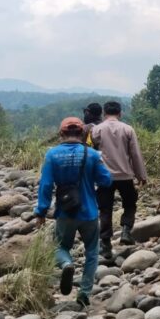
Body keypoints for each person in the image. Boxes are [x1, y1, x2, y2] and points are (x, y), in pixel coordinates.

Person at [34, 117, 112, 307]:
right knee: (92, 252)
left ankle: (67, 264)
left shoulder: (52, 155)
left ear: (61, 133)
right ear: (82, 134)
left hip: (65, 211)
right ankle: (84, 293)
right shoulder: (93, 155)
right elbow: (106, 180)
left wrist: (41, 212)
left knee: (59, 247)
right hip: (90, 213)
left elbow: (45, 185)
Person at [91, 101, 148, 259]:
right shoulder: (128, 129)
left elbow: (92, 151)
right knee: (130, 203)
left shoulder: (97, 130)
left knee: (105, 209)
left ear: (104, 113)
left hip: (104, 176)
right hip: (125, 175)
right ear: (120, 113)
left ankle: (106, 244)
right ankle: (126, 230)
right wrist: (141, 175)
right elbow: (135, 154)